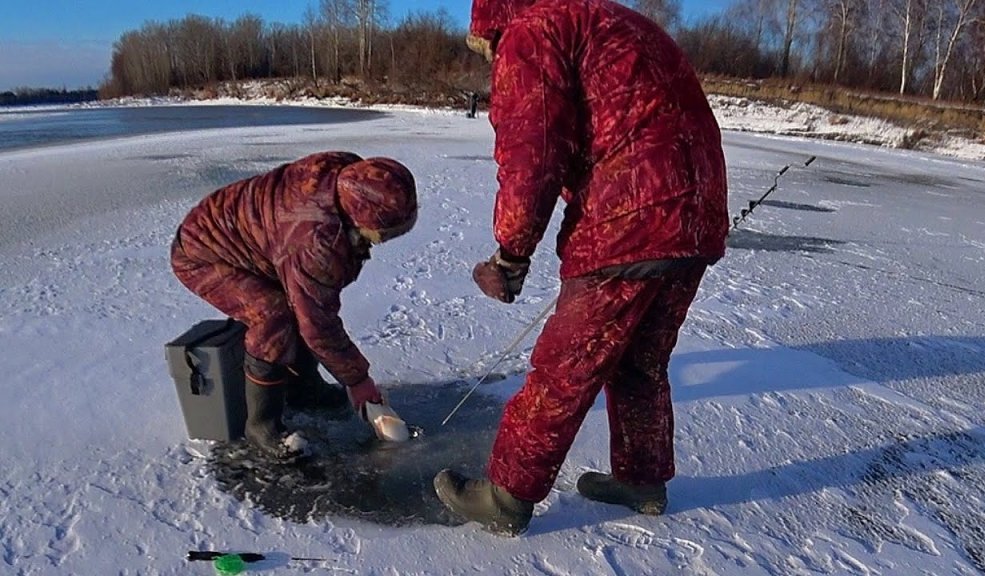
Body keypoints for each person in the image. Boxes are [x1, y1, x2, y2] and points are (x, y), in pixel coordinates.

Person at [434, 0, 728, 536]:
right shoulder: (611, 20)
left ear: (489, 27)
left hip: (629, 216)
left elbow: (533, 149)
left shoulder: (531, 31)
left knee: (564, 368)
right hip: (696, 215)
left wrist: (511, 252)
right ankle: (641, 479)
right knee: (640, 360)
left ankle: (507, 496)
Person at [171, 152, 417, 460]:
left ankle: (304, 391)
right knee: (273, 317)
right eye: (383, 234)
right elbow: (317, 323)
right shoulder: (315, 242)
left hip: (261, 242)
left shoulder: (351, 176)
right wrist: (358, 381)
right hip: (202, 254)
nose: (383, 241)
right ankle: (261, 424)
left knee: (296, 303)